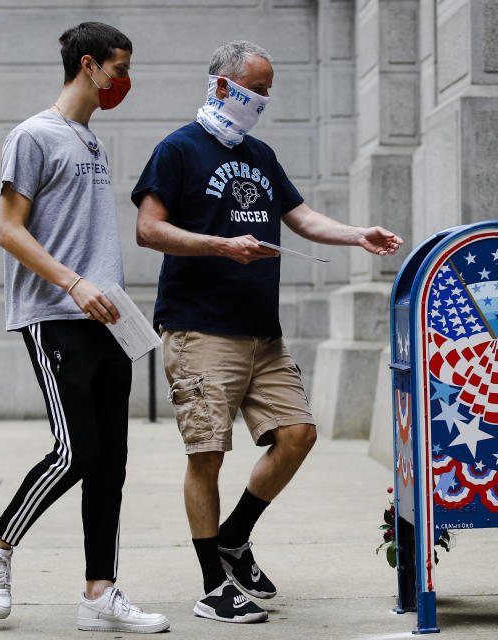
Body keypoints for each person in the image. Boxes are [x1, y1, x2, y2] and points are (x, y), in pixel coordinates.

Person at [131, 40, 404, 624]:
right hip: (200, 329)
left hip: (262, 333)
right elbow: (148, 230)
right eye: (256, 89)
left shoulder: (259, 154)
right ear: (223, 86)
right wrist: (221, 246)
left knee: (298, 434)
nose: (263, 101)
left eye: (269, 91)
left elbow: (300, 217)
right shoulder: (177, 150)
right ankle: (212, 586)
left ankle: (234, 537)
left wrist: (358, 235)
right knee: (206, 455)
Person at [0, 22, 169, 634]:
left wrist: (108, 295)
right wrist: (73, 283)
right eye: (119, 68)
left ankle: (98, 593)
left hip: (108, 321)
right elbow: (9, 230)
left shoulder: (90, 142)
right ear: (88, 65)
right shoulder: (32, 136)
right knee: (76, 451)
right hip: (55, 316)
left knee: (110, 462)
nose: (123, 81)